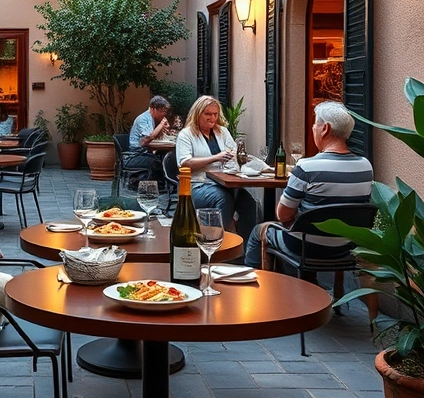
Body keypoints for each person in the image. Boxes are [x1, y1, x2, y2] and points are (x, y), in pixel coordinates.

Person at [244, 101, 373, 268]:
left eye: (315, 124)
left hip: (306, 247)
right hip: (348, 247)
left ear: (325, 128)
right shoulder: (366, 166)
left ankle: (259, 287)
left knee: (259, 231)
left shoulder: (306, 167)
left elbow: (283, 215)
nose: (313, 129)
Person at [175, 95, 259, 241]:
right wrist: (215, 158)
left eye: (215, 114)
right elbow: (184, 163)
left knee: (249, 204)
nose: (212, 118)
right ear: (197, 114)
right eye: (207, 114)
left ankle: (246, 249)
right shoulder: (186, 135)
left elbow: (234, 153)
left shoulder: (222, 132)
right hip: (197, 185)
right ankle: (214, 243)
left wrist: (236, 156)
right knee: (223, 199)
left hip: (225, 183)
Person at [125, 95, 172, 182]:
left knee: (166, 159)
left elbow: (153, 138)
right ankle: (153, 185)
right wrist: (161, 124)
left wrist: (163, 129)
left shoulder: (151, 119)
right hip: (135, 156)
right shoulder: (144, 119)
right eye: (163, 111)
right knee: (160, 163)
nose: (164, 114)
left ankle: (164, 185)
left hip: (144, 153)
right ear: (153, 109)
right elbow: (146, 140)